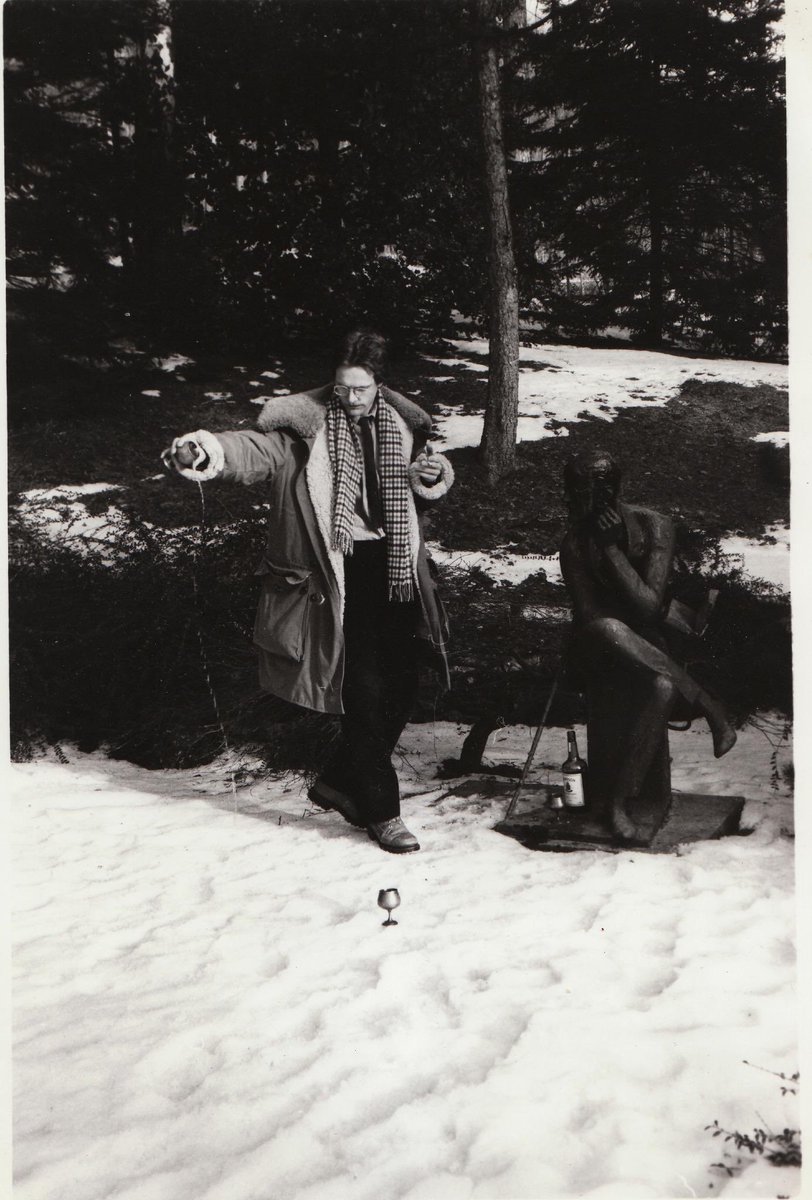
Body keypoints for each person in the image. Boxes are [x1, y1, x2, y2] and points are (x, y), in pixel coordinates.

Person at [162, 329, 454, 853]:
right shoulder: (302, 431)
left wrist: (427, 476)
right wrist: (204, 450)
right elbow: (251, 451)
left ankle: (338, 783)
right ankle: (383, 814)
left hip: (392, 568)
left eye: (362, 388)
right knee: (362, 693)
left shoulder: (401, 427)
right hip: (335, 576)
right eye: (343, 387)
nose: (352, 397)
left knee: (404, 686)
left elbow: (413, 496)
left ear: (380, 385)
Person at [559, 449, 736, 843]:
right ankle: (709, 706)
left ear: (608, 493)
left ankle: (619, 801)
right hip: (596, 649)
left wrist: (611, 552)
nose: (568, 501)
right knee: (606, 626)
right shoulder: (572, 544)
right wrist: (602, 549)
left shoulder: (655, 526)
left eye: (578, 491)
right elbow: (590, 618)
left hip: (645, 646)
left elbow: (650, 606)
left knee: (663, 687)